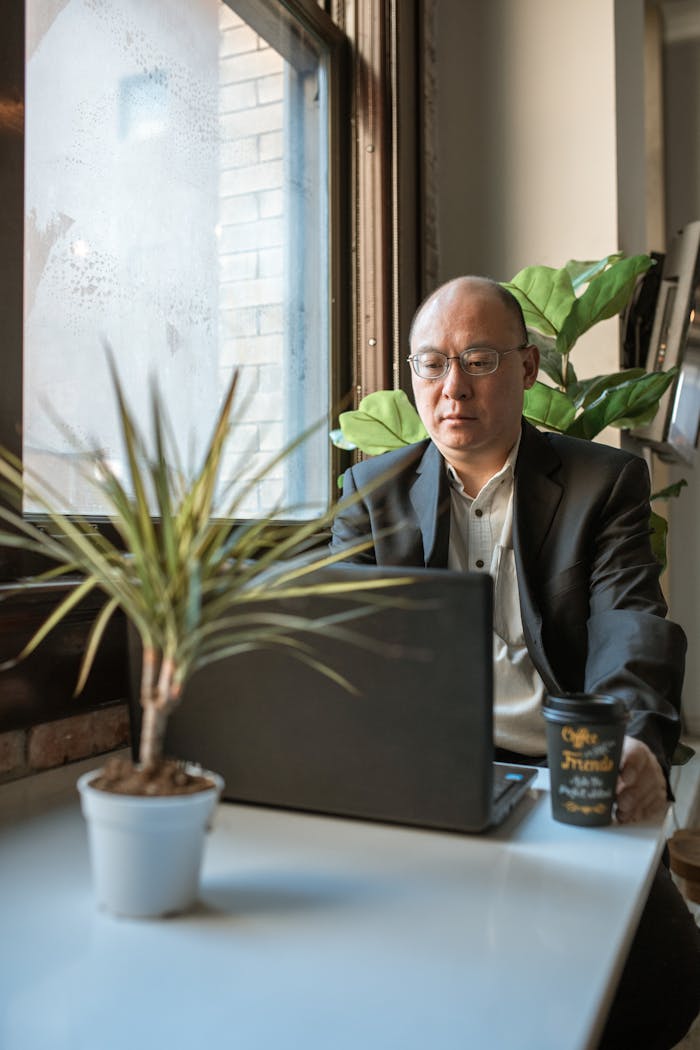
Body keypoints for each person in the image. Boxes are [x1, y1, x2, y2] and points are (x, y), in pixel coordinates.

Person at [330, 276, 700, 1049]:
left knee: (661, 976)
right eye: (431, 364)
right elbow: (347, 658)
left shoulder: (602, 483)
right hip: (433, 781)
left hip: (566, 772)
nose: (452, 387)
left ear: (529, 369)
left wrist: (631, 737)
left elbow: (631, 620)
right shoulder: (372, 492)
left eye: (480, 359)